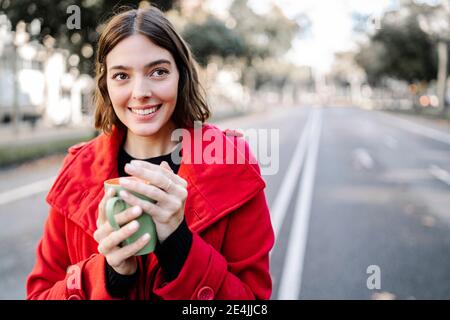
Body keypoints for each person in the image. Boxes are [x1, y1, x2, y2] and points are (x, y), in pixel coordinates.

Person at [26, 6, 274, 300]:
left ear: (181, 76)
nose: (140, 91)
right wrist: (108, 276)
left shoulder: (231, 163)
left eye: (158, 72)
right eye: (121, 76)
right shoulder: (78, 169)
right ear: (105, 84)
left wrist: (179, 247)